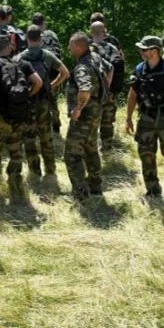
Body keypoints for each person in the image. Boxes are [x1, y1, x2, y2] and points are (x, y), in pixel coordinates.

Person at [0, 32, 43, 196]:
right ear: (11, 47)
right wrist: (27, 95)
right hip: (18, 116)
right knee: (16, 152)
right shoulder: (23, 63)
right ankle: (15, 185)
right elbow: (38, 82)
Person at [125, 36, 164, 198]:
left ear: (155, 50)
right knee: (146, 153)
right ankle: (153, 190)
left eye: (144, 49)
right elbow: (132, 95)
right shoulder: (139, 69)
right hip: (146, 117)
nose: (141, 51)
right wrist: (128, 117)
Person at [15, 24, 69, 178]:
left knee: (29, 139)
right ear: (40, 39)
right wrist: (52, 85)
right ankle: (51, 171)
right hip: (44, 102)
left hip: (27, 103)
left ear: (26, 38)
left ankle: (35, 172)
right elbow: (65, 73)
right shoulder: (47, 55)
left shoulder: (19, 57)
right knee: (46, 137)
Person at [64, 31, 105, 201]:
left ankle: (81, 194)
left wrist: (78, 109)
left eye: (71, 45)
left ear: (80, 47)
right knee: (91, 149)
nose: (68, 48)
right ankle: (95, 187)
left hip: (85, 115)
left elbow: (85, 89)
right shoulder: (95, 57)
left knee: (71, 155)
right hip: (96, 111)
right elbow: (109, 69)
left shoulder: (81, 67)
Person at [90, 21, 124, 147]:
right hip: (110, 92)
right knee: (107, 120)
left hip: (94, 93)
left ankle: (92, 148)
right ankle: (107, 146)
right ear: (104, 32)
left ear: (91, 32)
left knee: (91, 120)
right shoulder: (113, 48)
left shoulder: (89, 49)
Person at [31, 13, 62, 134]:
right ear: (43, 22)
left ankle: (41, 126)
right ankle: (56, 124)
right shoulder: (52, 34)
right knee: (53, 99)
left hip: (41, 72)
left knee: (40, 99)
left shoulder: (32, 34)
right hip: (55, 70)